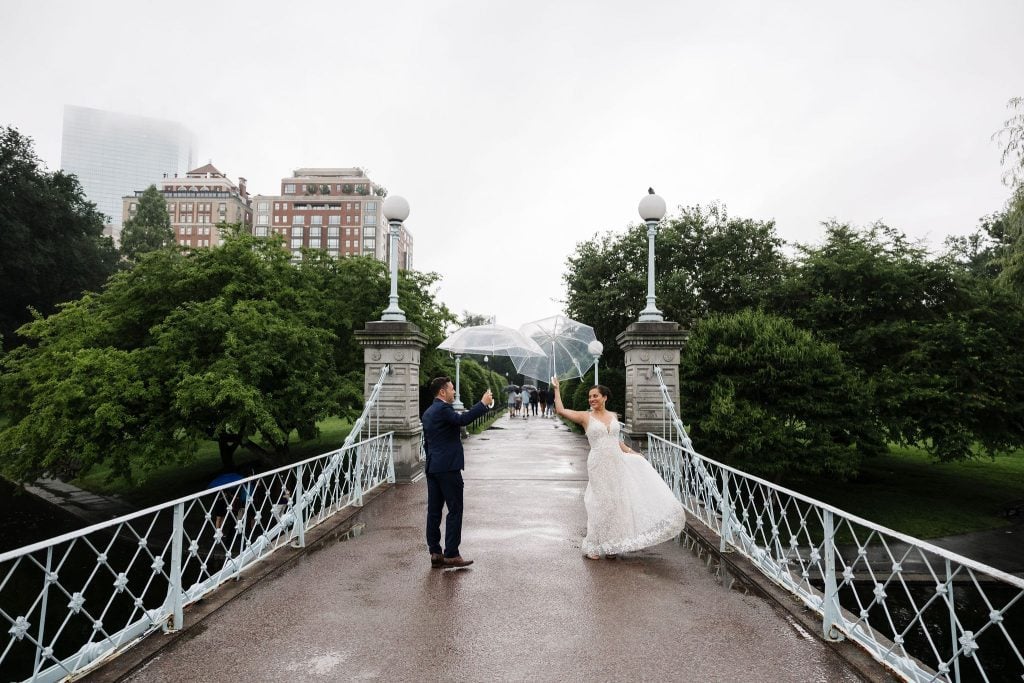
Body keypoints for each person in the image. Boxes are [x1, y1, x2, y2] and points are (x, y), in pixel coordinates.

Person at [551, 376, 686, 560]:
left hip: (617, 462)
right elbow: (560, 410)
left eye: (595, 396)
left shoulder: (613, 416)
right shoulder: (585, 417)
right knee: (600, 503)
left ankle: (612, 544)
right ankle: (594, 544)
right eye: (590, 397)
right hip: (598, 463)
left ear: (605, 397)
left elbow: (616, 440)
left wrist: (631, 452)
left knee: (616, 502)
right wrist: (557, 389)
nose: (592, 399)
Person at [421, 376, 494, 568]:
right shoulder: (443, 409)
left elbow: (427, 442)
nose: (454, 392)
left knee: (434, 511)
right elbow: (462, 420)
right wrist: (483, 404)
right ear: (442, 392)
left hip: (433, 466)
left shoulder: (428, 412)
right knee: (455, 509)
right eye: (452, 389)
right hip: (448, 468)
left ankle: (435, 552)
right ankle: (451, 553)